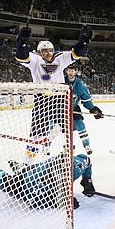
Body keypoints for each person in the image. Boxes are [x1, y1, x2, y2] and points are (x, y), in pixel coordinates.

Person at [14, 25, 93, 163]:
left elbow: (76, 53)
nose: (48, 53)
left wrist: (84, 41)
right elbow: (22, 56)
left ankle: (69, 158)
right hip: (42, 100)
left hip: (60, 100)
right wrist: (22, 42)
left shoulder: (60, 57)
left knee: (68, 130)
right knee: (37, 134)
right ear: (39, 52)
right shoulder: (35, 60)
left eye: (50, 50)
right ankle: (27, 162)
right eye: (44, 51)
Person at [0, 153, 95, 210]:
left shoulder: (77, 165)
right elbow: (36, 203)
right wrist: (64, 201)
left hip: (34, 169)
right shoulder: (49, 181)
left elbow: (87, 161)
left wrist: (87, 181)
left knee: (27, 171)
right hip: (25, 182)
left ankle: (18, 167)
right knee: (7, 185)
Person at [64, 62, 104, 155]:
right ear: (66, 71)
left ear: (76, 71)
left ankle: (87, 145)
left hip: (73, 108)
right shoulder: (61, 80)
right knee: (52, 127)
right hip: (59, 108)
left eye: (73, 70)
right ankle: (46, 145)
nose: (70, 72)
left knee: (80, 125)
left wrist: (93, 109)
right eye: (69, 70)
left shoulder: (80, 84)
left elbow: (86, 100)